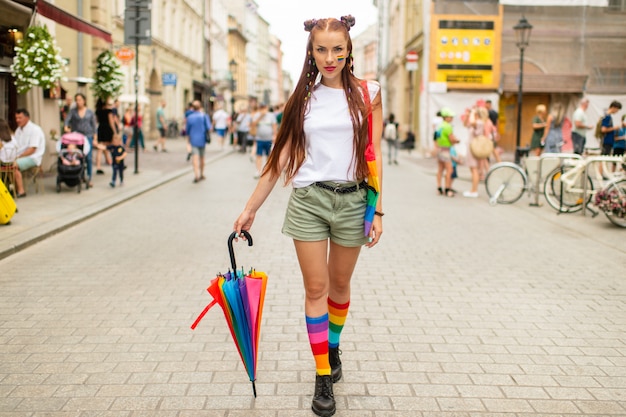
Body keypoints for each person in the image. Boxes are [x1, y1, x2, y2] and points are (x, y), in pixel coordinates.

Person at [232, 16, 383, 417]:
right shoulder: (301, 99)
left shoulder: (370, 93)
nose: (330, 57)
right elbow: (279, 159)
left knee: (339, 286)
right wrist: (250, 210)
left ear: (348, 49)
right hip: (309, 201)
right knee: (316, 288)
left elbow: (374, 154)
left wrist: (377, 208)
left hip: (353, 200)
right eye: (321, 49)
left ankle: (332, 347)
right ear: (311, 52)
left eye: (337, 49)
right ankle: (321, 374)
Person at [64, 93, 96, 184]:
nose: (78, 102)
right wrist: (66, 127)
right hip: (77, 137)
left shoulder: (89, 112)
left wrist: (95, 137)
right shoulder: (73, 111)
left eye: (80, 100)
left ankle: (89, 178)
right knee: (78, 155)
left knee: (88, 157)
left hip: (88, 136)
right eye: (76, 100)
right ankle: (80, 175)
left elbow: (93, 125)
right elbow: (67, 120)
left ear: (84, 101)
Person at [13, 109, 46, 198]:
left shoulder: (35, 129)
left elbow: (32, 149)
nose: (17, 120)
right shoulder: (18, 130)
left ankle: (21, 191)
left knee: (13, 165)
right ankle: (12, 189)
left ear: (27, 118)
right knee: (5, 163)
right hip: (20, 156)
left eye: (20, 118)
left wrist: (18, 157)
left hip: (33, 158)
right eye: (16, 118)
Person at [463, 107, 494, 198]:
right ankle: (473, 190)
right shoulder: (477, 122)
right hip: (472, 147)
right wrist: (467, 115)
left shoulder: (480, 122)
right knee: (472, 169)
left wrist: (472, 113)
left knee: (474, 168)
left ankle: (474, 190)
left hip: (475, 148)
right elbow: (465, 124)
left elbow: (472, 122)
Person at [185, 100, 212, 183]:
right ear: (200, 107)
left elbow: (187, 131)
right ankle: (201, 174)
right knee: (202, 158)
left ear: (192, 108)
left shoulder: (189, 117)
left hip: (193, 139)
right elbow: (209, 128)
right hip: (202, 139)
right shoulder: (204, 116)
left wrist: (188, 141)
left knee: (195, 158)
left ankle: (196, 175)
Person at [435, 107, 459, 197]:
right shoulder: (448, 127)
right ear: (446, 117)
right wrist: (457, 141)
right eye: (450, 116)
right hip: (446, 150)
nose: (452, 118)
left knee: (440, 169)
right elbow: (452, 139)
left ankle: (439, 187)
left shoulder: (439, 125)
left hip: (439, 149)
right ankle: (448, 189)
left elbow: (435, 138)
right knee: (449, 170)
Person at [253, 103, 276, 179]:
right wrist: (260, 116)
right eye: (261, 108)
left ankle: (267, 170)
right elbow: (253, 124)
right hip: (259, 139)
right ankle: (258, 171)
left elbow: (274, 126)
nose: (263, 109)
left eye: (264, 107)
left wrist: (274, 135)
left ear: (266, 108)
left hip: (268, 139)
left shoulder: (271, 115)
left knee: (268, 155)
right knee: (259, 155)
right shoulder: (257, 115)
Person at [95, 97, 116, 174]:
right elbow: (111, 122)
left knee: (101, 148)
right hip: (107, 129)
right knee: (113, 147)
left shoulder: (98, 111)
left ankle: (98, 166)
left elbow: (97, 121)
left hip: (101, 129)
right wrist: (115, 132)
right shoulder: (108, 111)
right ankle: (117, 162)